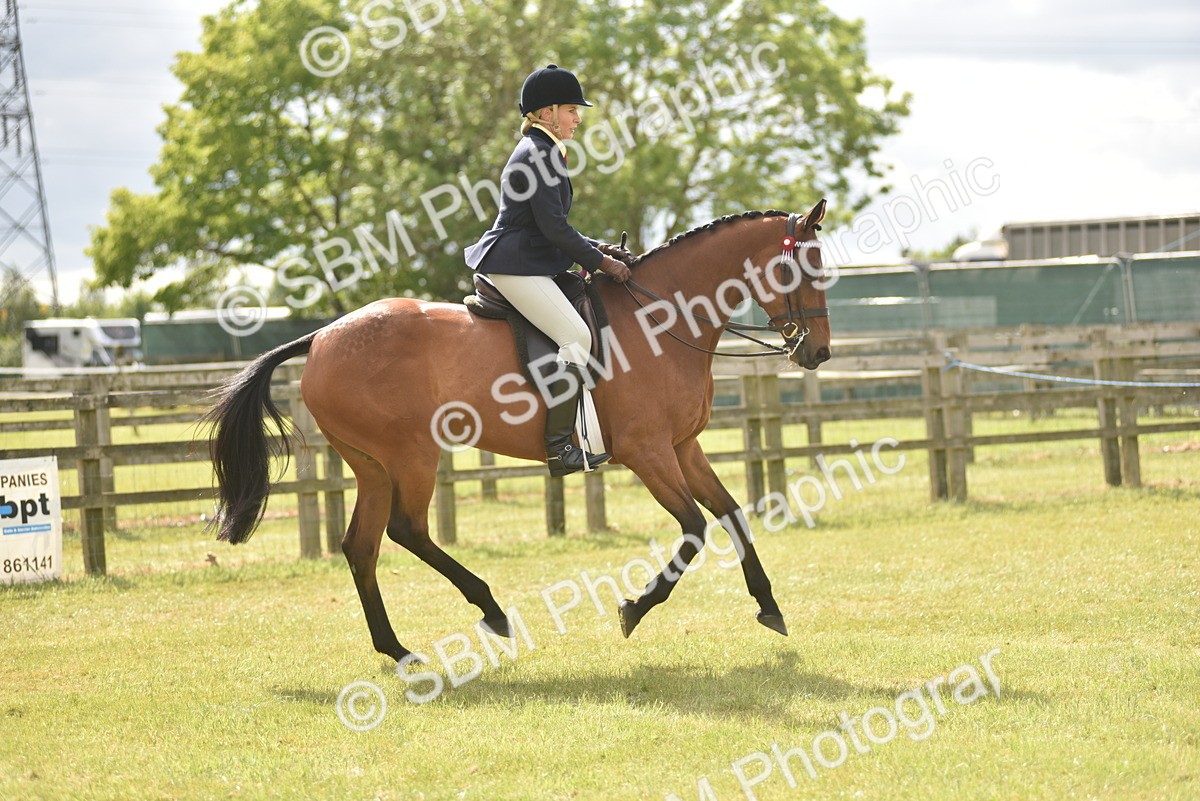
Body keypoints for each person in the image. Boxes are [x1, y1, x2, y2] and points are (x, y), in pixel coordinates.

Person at [465, 64, 633, 478]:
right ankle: (559, 448)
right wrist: (602, 262)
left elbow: (554, 224)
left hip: (528, 260)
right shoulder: (537, 153)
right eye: (572, 110)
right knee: (575, 335)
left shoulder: (544, 150)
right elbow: (554, 228)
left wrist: (598, 247)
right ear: (546, 113)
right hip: (513, 265)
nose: (579, 118)